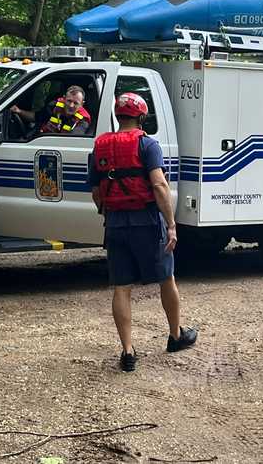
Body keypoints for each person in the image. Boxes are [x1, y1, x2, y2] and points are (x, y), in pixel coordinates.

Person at [88, 92, 197, 372]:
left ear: (117, 115)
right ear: (141, 117)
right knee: (166, 277)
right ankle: (175, 336)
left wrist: (107, 212)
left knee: (121, 287)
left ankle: (127, 351)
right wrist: (171, 224)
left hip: (114, 223)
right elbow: (159, 186)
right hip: (146, 221)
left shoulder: (99, 147)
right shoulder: (147, 144)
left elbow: (97, 192)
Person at [12, 85, 91, 135]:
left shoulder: (83, 119)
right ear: (64, 99)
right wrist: (19, 111)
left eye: (76, 103)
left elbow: (74, 140)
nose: (71, 105)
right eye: (69, 101)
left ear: (82, 104)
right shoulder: (53, 106)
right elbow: (36, 117)